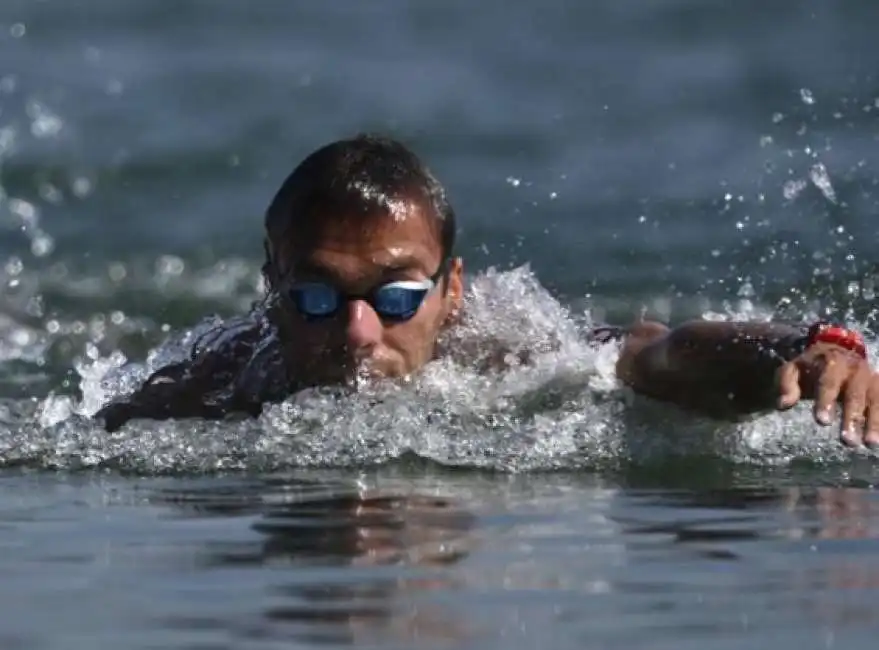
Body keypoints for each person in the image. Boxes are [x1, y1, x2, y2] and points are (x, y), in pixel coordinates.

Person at [94, 134, 879, 447]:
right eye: (318, 298)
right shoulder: (216, 389)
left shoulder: (511, 351)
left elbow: (657, 355)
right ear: (271, 290)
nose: (360, 333)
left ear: (452, 291)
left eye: (398, 296)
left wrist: (807, 347)